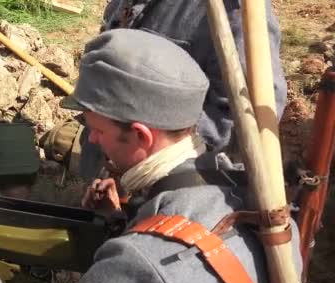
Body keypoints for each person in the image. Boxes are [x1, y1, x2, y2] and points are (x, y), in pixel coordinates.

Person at [0, 29, 309, 283]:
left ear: (142, 136)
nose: (92, 141)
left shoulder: (144, 264)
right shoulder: (251, 198)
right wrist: (126, 219)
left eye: (98, 130)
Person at [41, 0, 287, 181]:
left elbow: (244, 118)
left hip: (169, 186)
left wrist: (150, 154)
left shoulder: (235, 13)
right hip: (110, 162)